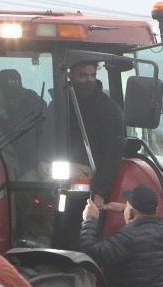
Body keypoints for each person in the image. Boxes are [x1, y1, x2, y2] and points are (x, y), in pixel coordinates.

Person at [47, 61, 126, 207]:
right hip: (55, 167)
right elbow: (47, 138)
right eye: (83, 76)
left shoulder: (109, 109)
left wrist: (100, 192)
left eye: (92, 75)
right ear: (69, 75)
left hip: (88, 170)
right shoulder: (57, 105)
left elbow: (112, 153)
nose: (89, 80)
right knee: (27, 179)